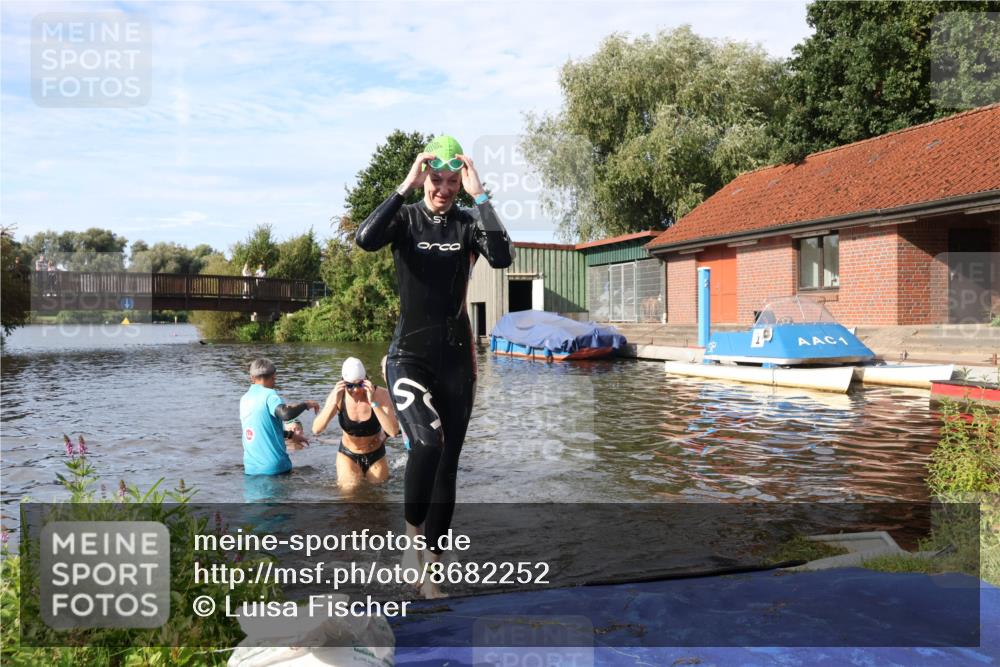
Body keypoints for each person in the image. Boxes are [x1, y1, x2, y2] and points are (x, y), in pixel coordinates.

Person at [355, 135, 514, 597]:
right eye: (435, 179)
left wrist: (480, 195)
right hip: (409, 356)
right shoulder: (404, 219)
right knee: (426, 442)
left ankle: (432, 572)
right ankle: (410, 541)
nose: (442, 189)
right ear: (424, 176)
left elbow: (502, 256)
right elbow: (365, 239)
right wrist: (405, 184)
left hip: (456, 360)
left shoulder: (467, 224)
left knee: (447, 467)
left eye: (451, 181)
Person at [313, 357, 399, 489]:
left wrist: (373, 403)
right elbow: (316, 429)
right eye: (350, 386)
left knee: (379, 496)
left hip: (375, 454)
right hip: (348, 454)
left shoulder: (381, 395)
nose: (355, 390)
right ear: (343, 382)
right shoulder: (338, 395)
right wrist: (333, 404)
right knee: (349, 493)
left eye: (360, 384)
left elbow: (393, 431)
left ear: (366, 380)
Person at [240, 358, 320, 476]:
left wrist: (291, 435)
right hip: (276, 469)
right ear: (273, 377)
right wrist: (306, 405)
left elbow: (263, 430)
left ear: (252, 378)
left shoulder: (244, 399)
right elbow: (286, 414)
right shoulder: (269, 395)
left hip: (251, 469)